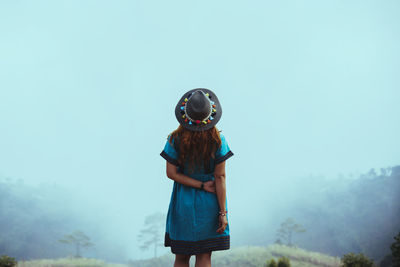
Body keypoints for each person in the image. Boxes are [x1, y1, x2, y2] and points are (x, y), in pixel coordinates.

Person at [160, 88, 234, 267]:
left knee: (181, 257)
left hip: (183, 201)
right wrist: (222, 213)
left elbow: (171, 173)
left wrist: (199, 185)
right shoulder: (218, 140)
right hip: (209, 202)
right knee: (204, 256)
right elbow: (220, 177)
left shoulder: (174, 139)